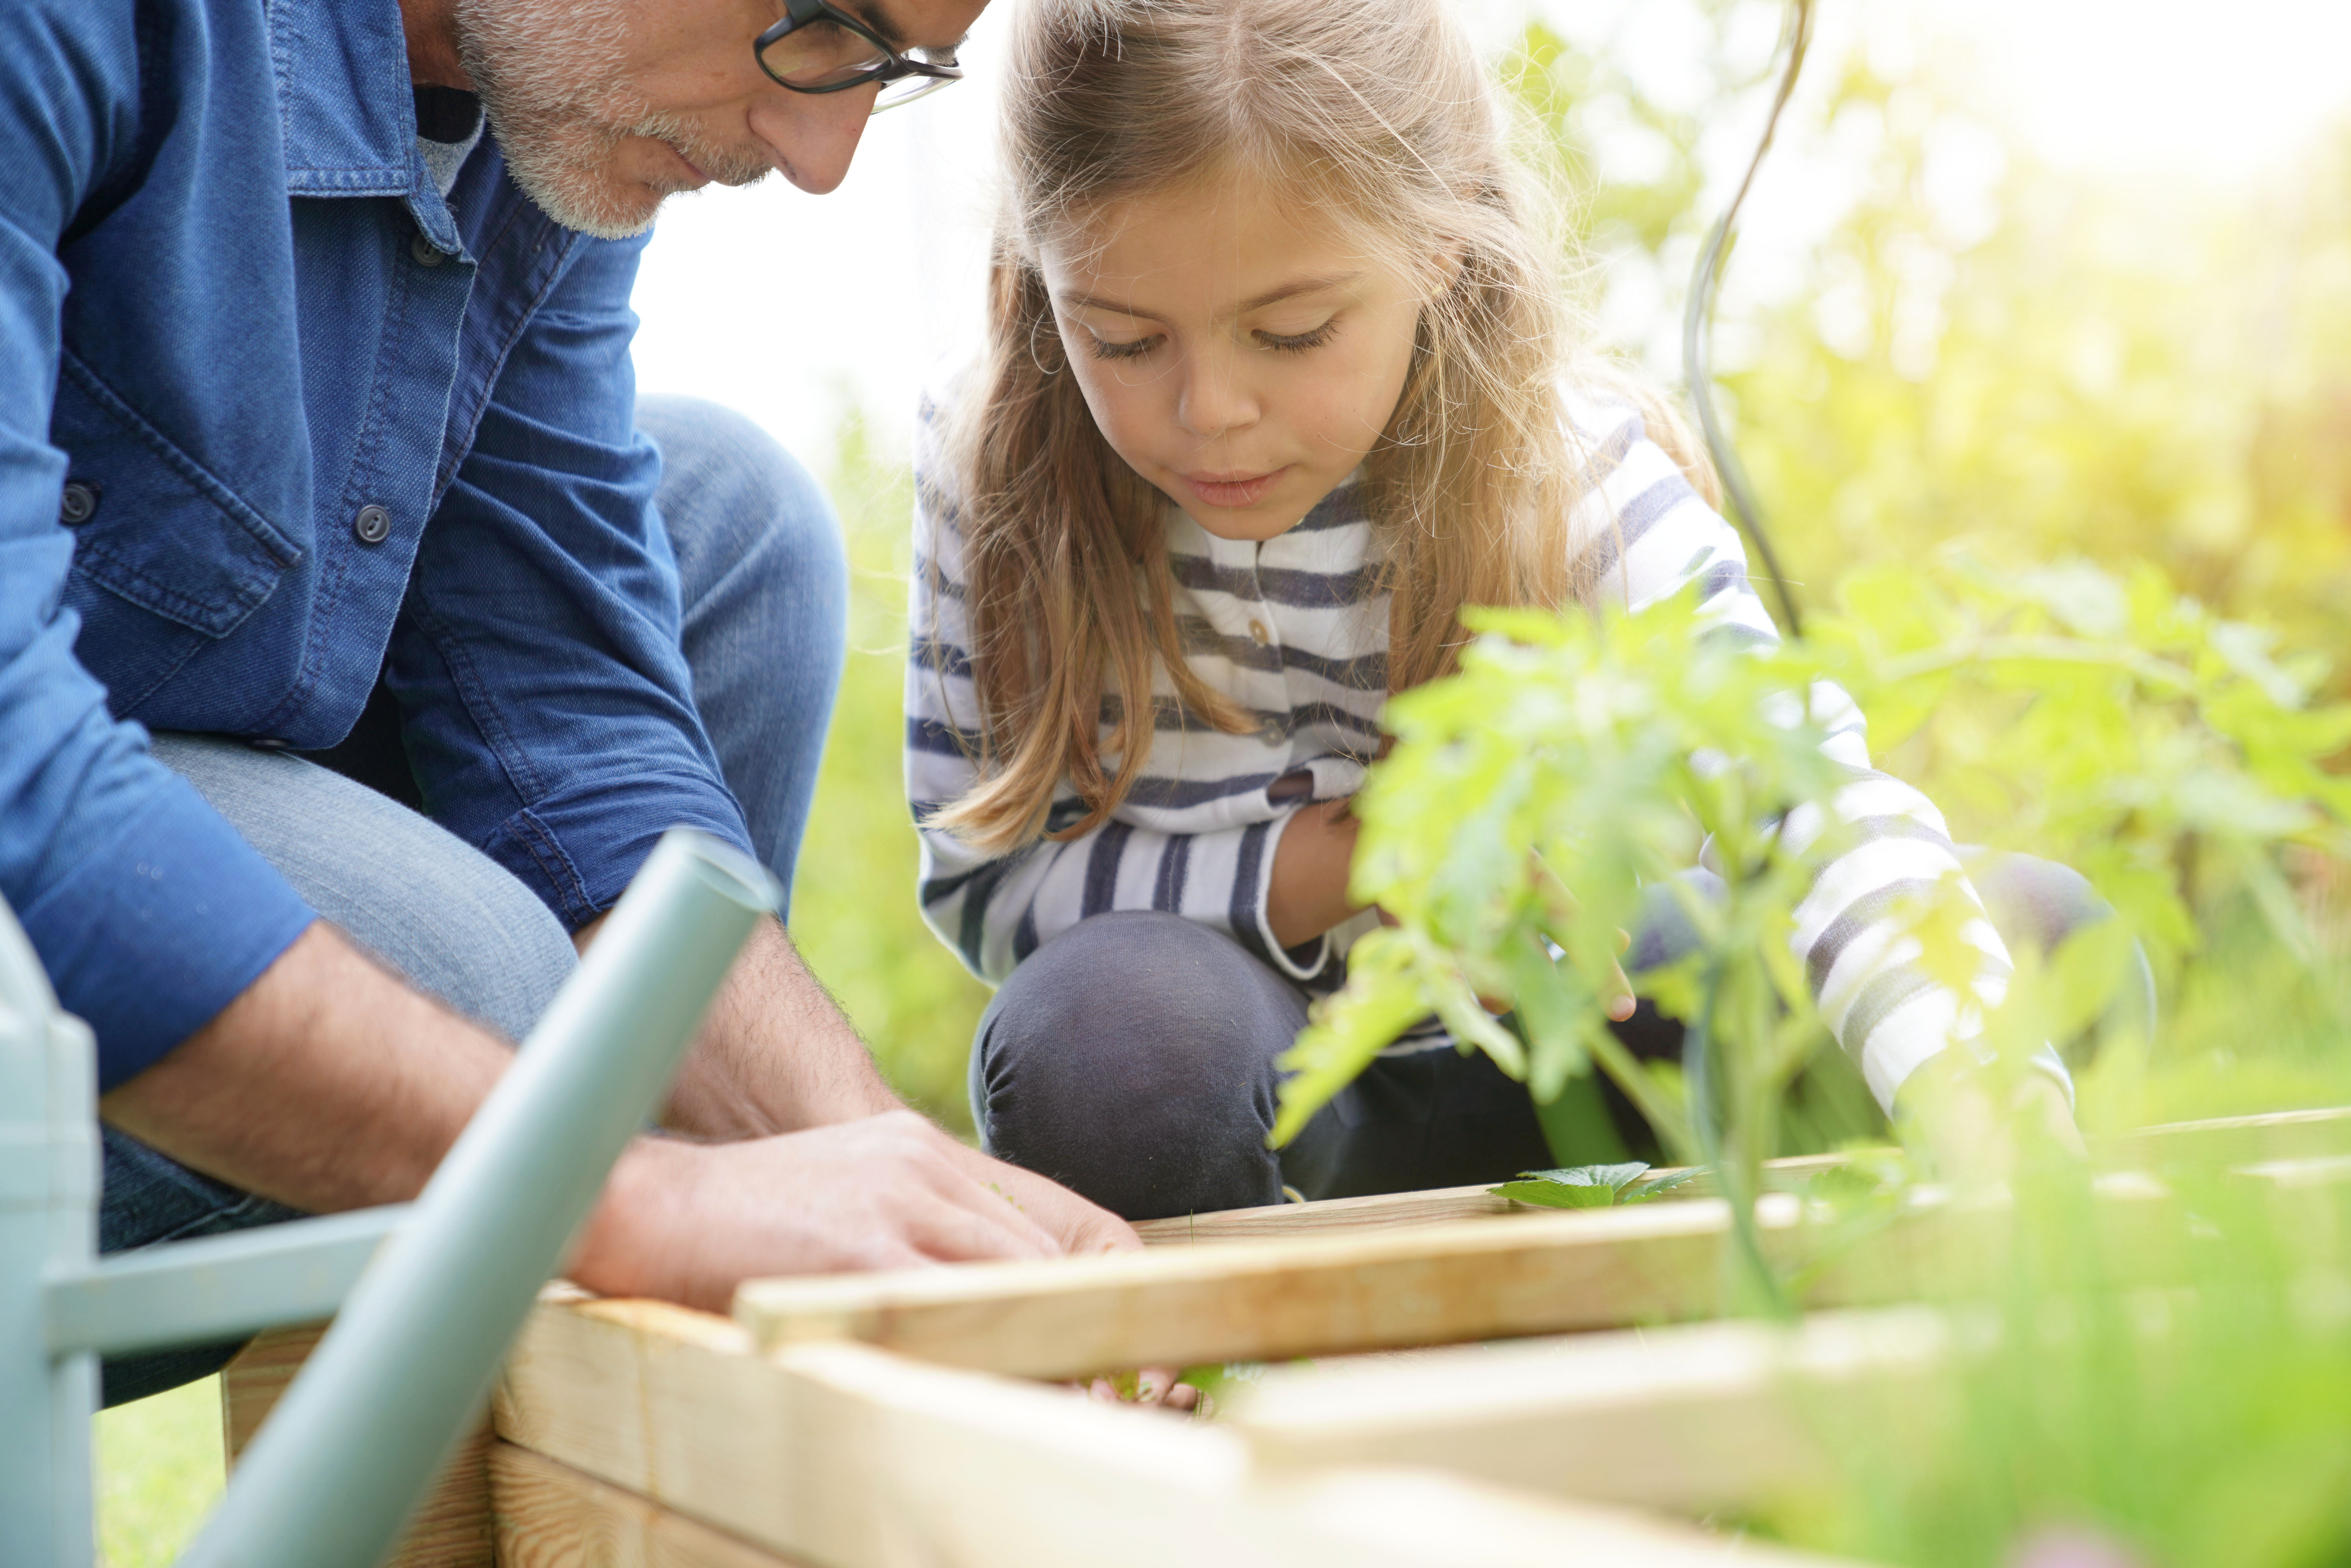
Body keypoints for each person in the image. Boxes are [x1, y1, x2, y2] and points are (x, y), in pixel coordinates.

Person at [1, 0, 1147, 1409]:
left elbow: (568, 711)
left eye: (889, 66)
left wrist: (907, 1193)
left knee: (725, 530)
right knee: (485, 977)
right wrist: (635, 1200)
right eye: (822, 19)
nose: (821, 151)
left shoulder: (532, 90)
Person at [906, 0, 2092, 1222]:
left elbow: (1801, 803)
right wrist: (1365, 859)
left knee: (2032, 938)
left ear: (1436, 243)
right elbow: (986, 888)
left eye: (1292, 331)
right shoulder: (996, 466)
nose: (1209, 409)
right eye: (1123, 340)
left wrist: (1993, 1119)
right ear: (1042, 274)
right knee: (1105, 1050)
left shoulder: (1559, 469)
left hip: (1590, 1030)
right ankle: (1248, 1361)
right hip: (1245, 1102)